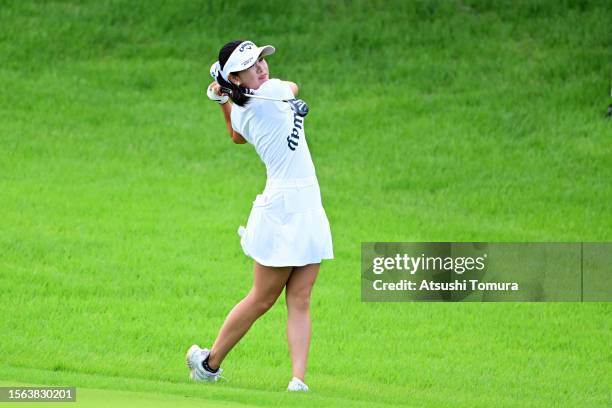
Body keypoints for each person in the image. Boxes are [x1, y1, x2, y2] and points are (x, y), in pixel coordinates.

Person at [186, 40, 333, 392]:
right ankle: (209, 364)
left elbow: (235, 134)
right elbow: (292, 86)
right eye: (252, 66)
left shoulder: (248, 106)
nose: (262, 68)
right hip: (286, 207)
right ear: (236, 77)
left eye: (261, 61)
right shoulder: (273, 93)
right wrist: (233, 94)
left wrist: (224, 98)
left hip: (305, 203)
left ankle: (298, 381)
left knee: (299, 298)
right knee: (262, 298)